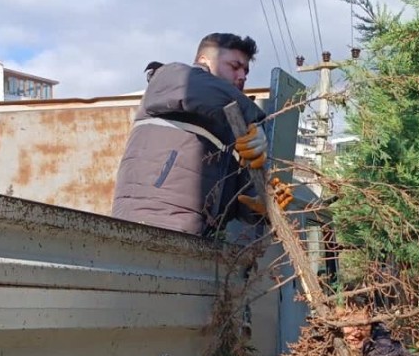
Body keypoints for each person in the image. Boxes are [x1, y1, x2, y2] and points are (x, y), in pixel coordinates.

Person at [112, 33, 290, 237]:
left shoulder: (230, 130)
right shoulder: (171, 77)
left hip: (196, 238)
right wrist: (254, 119)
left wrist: (261, 203)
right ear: (204, 61)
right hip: (147, 224)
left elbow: (235, 201)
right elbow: (199, 89)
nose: (241, 76)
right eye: (234, 66)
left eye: (245, 71)